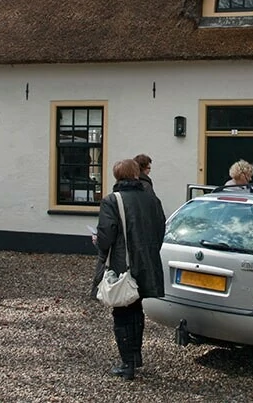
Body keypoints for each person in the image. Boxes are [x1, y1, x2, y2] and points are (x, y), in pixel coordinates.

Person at [91, 159, 166, 380]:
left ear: (116, 176)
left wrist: (98, 241)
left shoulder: (112, 201)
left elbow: (106, 237)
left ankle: (127, 364)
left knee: (122, 311)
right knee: (136, 309)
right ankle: (135, 358)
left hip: (123, 264)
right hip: (147, 263)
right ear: (136, 174)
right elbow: (160, 228)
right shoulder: (152, 199)